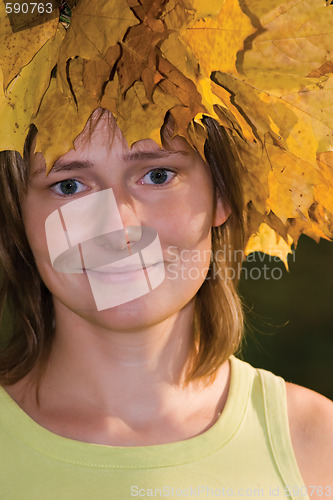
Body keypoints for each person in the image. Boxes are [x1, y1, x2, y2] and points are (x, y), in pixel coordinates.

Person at [0, 107, 332, 499]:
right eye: (70, 186)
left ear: (221, 193)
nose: (120, 228)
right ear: (17, 215)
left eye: (158, 176)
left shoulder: (316, 443)